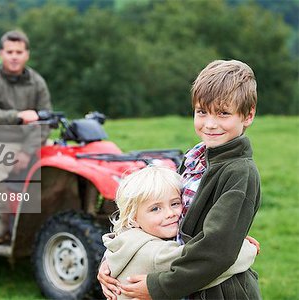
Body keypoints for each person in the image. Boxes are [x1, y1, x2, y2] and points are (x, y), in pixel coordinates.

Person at [98, 59, 262, 299]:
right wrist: (112, 260)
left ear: (248, 115)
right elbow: (151, 217)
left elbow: (216, 251)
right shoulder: (195, 157)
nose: (210, 124)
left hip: (218, 292)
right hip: (183, 280)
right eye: (202, 112)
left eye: (223, 113)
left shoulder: (239, 172)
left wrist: (158, 287)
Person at [102, 166, 257, 300]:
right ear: (133, 218)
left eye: (175, 203)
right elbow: (207, 267)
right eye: (155, 208)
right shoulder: (156, 253)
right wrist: (244, 246)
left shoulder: (126, 240)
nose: (170, 213)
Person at [0, 30, 52, 244]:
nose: (14, 56)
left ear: (27, 54)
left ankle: (54, 216)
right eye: (9, 52)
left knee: (62, 158)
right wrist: (18, 116)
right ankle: (2, 222)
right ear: (1, 53)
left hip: (32, 140)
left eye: (19, 51)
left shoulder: (37, 82)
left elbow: (46, 121)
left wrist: (27, 152)